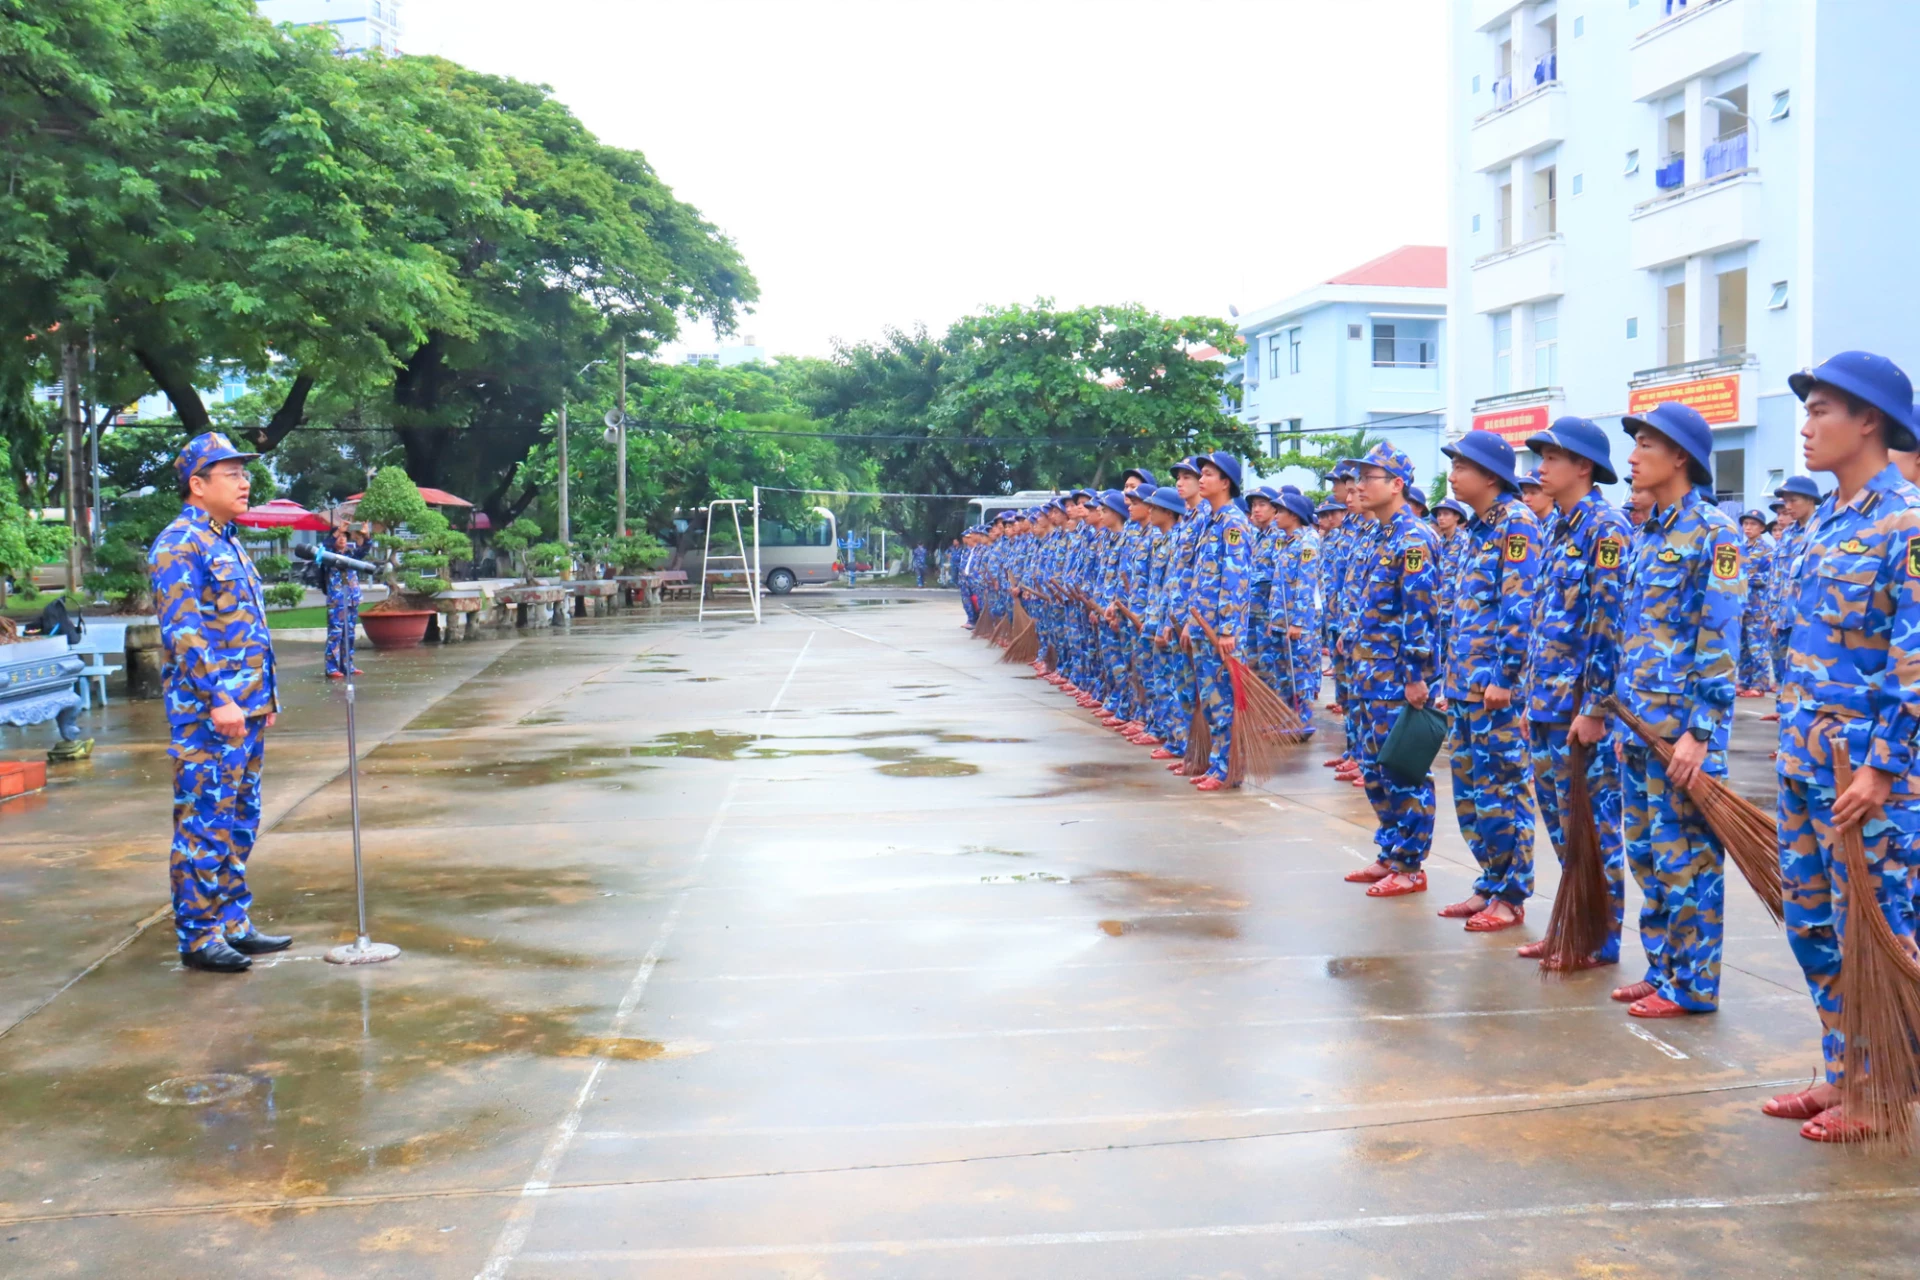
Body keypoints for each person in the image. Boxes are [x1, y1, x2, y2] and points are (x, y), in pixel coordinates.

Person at [1766, 351, 1920, 1142]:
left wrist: (1883, 767)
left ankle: (1883, 1085)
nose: (1806, 425)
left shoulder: (1908, 521)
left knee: (1877, 933)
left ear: (1869, 421)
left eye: (1822, 409)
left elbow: (1914, 657)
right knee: (1814, 929)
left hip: (1866, 777)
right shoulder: (1823, 521)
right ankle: (1845, 1068)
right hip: (1804, 762)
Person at [1614, 402, 1743, 1018]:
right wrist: (1624, 718)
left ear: (1681, 456)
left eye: (1646, 445)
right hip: (1641, 726)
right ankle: (1663, 967)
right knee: (1647, 855)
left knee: (1686, 859)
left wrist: (1701, 730)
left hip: (1682, 734)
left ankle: (1693, 985)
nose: (1633, 457)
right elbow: (1635, 633)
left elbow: (1719, 638)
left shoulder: (1715, 533)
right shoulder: (1649, 534)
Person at [148, 433, 288, 974]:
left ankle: (232, 922)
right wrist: (219, 698)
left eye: (243, 473)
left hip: (245, 709)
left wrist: (263, 698)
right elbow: (185, 632)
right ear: (198, 484)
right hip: (209, 714)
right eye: (231, 474)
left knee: (239, 820)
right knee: (204, 824)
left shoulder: (226, 541)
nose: (244, 482)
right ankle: (199, 935)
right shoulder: (179, 544)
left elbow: (244, 628)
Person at [1520, 416, 1631, 968]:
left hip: (1580, 710)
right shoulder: (1557, 527)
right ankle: (1572, 921)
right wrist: (1529, 700)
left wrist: (1595, 707)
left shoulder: (1605, 530)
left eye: (1551, 457)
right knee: (1563, 828)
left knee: (1594, 827)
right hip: (1547, 704)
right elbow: (1546, 622)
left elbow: (1609, 626)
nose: (1540, 468)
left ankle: (1599, 937)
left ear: (1583, 466)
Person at [1436, 430, 1540, 931]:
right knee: (1472, 793)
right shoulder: (1476, 529)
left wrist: (1506, 675)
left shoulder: (1517, 524)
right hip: (1463, 685)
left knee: (1503, 789)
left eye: (1462, 466)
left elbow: (1519, 606)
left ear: (1490, 475)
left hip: (1493, 688)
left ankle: (1512, 893)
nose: (1453, 475)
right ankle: (1491, 881)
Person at [1340, 443, 1442, 897]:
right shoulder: (1377, 535)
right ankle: (1391, 851)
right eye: (1357, 478)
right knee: (1374, 771)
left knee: (1403, 769)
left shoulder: (1413, 538)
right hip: (1368, 673)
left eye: (1369, 478)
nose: (1359, 486)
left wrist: (1416, 674)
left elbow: (1420, 611)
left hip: (1396, 679)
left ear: (1397, 484)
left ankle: (1411, 864)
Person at [1183, 453, 1253, 791]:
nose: (1201, 479)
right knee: (1212, 703)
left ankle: (1228, 769)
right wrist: (1189, 622)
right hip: (1202, 627)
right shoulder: (1209, 521)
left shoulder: (1233, 523)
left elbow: (1234, 579)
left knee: (1223, 702)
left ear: (1226, 482)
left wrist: (1227, 630)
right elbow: (1199, 579)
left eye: (1208, 474)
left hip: (1220, 632)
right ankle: (1217, 764)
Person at [1767, 477, 1821, 687]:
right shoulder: (1787, 534)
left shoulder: (1822, 531)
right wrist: (1773, 613)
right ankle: (1782, 704)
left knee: (1804, 677)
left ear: (1810, 499)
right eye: (1785, 501)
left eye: (1793, 500)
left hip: (1806, 618)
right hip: (1781, 618)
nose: (1787, 507)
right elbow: (1777, 576)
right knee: (1782, 673)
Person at [1735, 510, 1776, 696]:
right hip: (1741, 604)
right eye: (1745, 524)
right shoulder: (1740, 548)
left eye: (1753, 524)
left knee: (1757, 646)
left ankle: (1759, 684)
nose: (1748, 528)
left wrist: (1746, 578)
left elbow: (1770, 576)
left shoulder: (1767, 550)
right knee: (1743, 646)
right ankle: (1744, 681)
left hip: (1758, 606)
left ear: (1761, 528)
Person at [320, 524, 369, 680]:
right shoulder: (328, 555)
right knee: (335, 633)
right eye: (340, 536)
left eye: (345, 536)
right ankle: (332, 667)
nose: (342, 539)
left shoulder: (351, 555)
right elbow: (324, 546)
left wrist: (366, 535)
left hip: (352, 599)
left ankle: (348, 665)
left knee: (349, 634)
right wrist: (336, 532)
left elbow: (365, 549)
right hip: (337, 599)